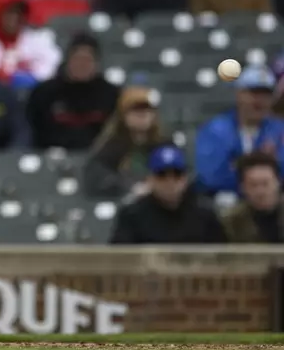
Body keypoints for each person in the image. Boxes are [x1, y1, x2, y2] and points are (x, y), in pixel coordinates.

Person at [110, 144, 227, 244]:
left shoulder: (204, 214)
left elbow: (223, 257)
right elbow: (119, 261)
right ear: (150, 179)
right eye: (162, 175)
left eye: (177, 174)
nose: (170, 182)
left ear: (185, 178)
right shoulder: (132, 215)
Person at [196, 65, 284, 195]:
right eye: (253, 92)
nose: (259, 100)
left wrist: (236, 165)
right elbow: (211, 177)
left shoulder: (279, 130)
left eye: (265, 94)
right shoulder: (215, 130)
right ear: (239, 94)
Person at [27, 32, 119, 150]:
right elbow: (34, 132)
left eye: (87, 60)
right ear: (67, 61)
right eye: (77, 59)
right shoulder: (44, 93)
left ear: (97, 64)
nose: (82, 65)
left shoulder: (111, 95)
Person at [83, 86, 165, 197]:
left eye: (147, 110)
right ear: (123, 115)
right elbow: (96, 175)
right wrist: (130, 187)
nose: (142, 115)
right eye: (136, 110)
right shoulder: (110, 145)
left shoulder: (164, 144)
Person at [223, 152, 284, 242]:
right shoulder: (231, 222)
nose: (260, 192)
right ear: (242, 187)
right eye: (253, 185)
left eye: (265, 184)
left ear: (278, 182)